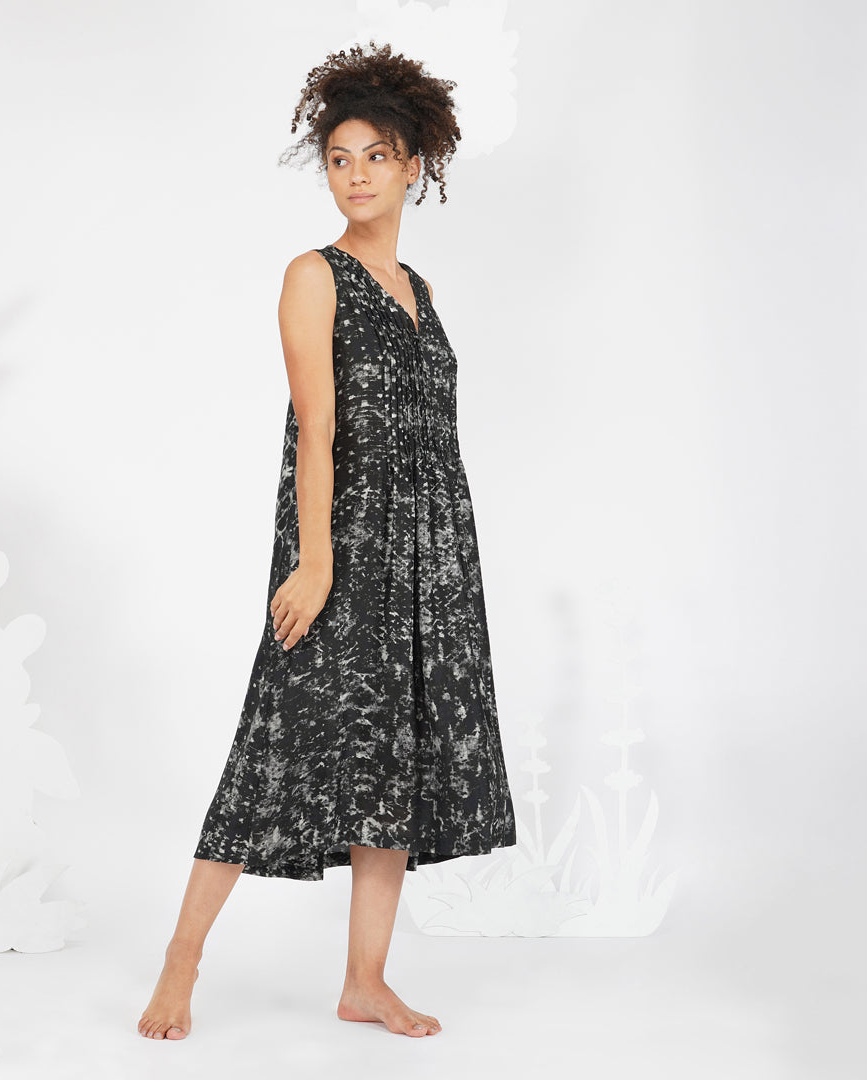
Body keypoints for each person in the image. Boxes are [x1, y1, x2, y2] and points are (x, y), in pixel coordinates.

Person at [138, 40, 517, 1042]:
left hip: (427, 554)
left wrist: (441, 563)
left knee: (393, 759)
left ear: (414, 165)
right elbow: (318, 429)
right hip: (341, 547)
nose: (356, 175)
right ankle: (182, 959)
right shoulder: (315, 276)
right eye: (340, 158)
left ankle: (364, 982)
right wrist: (315, 561)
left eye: (376, 157)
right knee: (275, 742)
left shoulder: (419, 289)